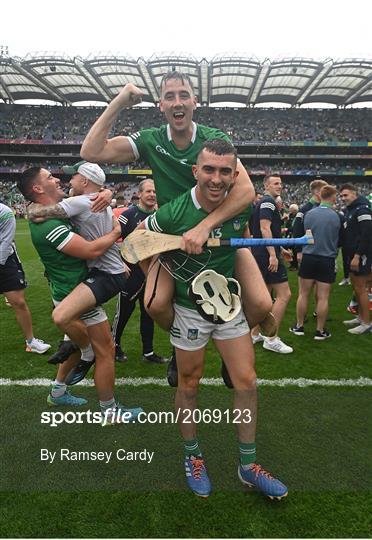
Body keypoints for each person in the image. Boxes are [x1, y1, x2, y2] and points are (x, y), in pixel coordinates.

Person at [80, 72, 274, 387]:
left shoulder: (214, 139)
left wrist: (204, 226)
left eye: (184, 94)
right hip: (175, 241)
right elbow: (91, 152)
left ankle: (229, 351)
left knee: (263, 304)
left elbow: (246, 191)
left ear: (194, 102)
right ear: (161, 105)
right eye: (170, 96)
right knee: (155, 304)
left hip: (220, 239)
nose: (178, 102)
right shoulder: (152, 140)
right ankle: (179, 345)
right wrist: (119, 101)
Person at [138, 140, 287, 500]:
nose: (216, 179)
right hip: (189, 307)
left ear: (235, 175)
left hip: (228, 305)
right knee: (188, 385)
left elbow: (241, 234)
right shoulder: (175, 211)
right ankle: (193, 457)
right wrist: (169, 254)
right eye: (209, 169)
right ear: (195, 171)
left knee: (247, 382)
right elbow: (139, 239)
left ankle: (247, 465)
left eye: (224, 172)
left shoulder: (240, 203)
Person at [19, 166, 142, 420]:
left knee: (76, 342)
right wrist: (117, 232)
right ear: (38, 188)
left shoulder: (59, 207)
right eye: (49, 177)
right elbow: (89, 251)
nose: (57, 178)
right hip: (73, 290)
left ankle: (58, 391)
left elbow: (91, 195)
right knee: (104, 349)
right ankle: (109, 410)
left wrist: (106, 192)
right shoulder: (49, 225)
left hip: (73, 286)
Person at [112, 179, 168, 364]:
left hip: (152, 272)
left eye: (154, 192)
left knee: (149, 311)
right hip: (131, 273)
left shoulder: (161, 216)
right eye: (148, 191)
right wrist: (120, 263)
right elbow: (111, 239)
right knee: (124, 311)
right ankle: (114, 346)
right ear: (140, 194)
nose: (152, 195)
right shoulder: (127, 215)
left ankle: (149, 352)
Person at [290, 185, 342, 339]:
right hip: (327, 258)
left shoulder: (309, 213)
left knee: (303, 294)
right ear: (333, 198)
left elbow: (301, 232)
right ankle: (320, 331)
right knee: (323, 297)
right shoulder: (338, 216)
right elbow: (341, 240)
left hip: (309, 256)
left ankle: (299, 326)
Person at [0, 201, 51, 354]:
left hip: (4, 259)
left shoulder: (5, 212)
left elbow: (6, 241)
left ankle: (31, 342)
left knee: (19, 302)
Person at [250, 174, 293, 354]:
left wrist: (279, 247)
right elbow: (264, 228)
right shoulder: (268, 202)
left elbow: (266, 232)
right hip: (266, 254)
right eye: (276, 183)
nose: (280, 186)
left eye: (281, 183)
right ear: (266, 185)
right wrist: (273, 254)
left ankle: (255, 333)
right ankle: (271, 338)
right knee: (284, 294)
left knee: (266, 295)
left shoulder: (265, 202)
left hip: (262, 252)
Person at [339, 184, 372, 334]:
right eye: (341, 196)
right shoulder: (351, 210)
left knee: (361, 288)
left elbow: (367, 234)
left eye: (346, 195)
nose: (343, 198)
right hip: (351, 254)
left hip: (361, 255)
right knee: (356, 287)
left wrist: (358, 255)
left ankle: (366, 322)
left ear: (354, 194)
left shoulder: (363, 209)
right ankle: (360, 317)